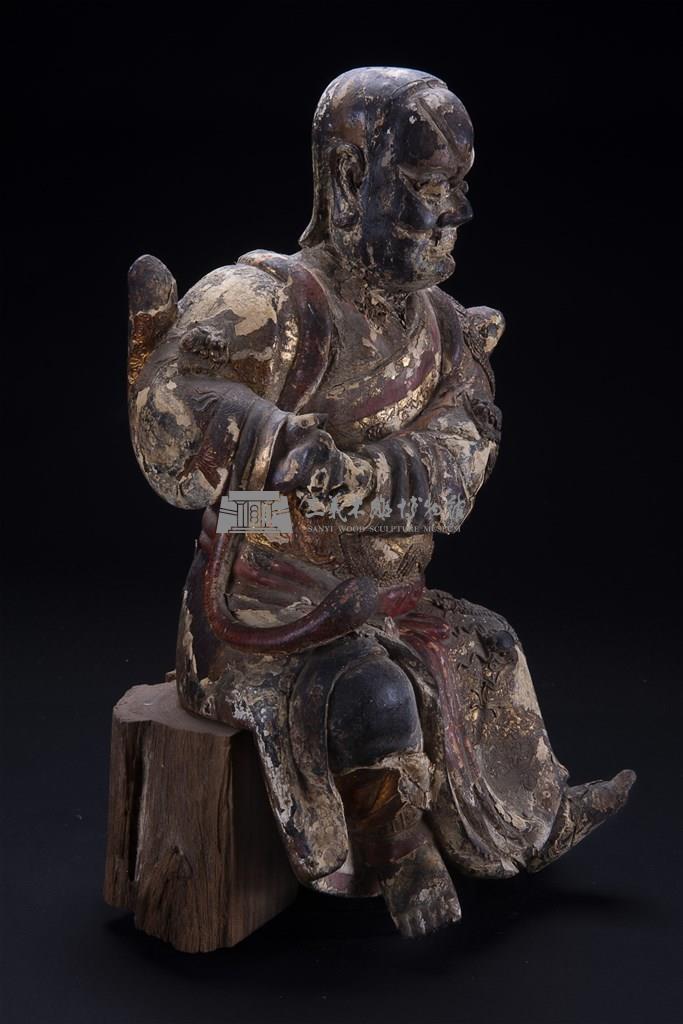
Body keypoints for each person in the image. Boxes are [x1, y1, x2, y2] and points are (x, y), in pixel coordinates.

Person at [127, 67, 635, 938]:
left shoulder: (444, 329)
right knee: (373, 695)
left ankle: (528, 823)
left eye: (459, 185)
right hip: (271, 591)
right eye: (426, 187)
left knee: (488, 646)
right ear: (344, 178)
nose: (455, 211)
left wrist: (356, 483)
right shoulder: (264, 302)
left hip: (386, 585)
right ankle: (396, 851)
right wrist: (275, 451)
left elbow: (462, 456)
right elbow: (174, 417)